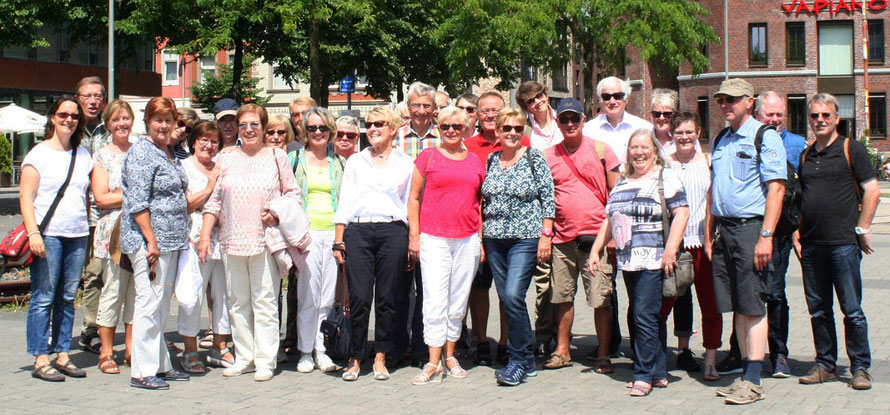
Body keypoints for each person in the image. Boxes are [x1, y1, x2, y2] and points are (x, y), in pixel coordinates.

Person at [200, 104, 299, 382]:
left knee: (265, 301)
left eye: (254, 124)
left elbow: (293, 194)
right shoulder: (226, 157)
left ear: (263, 127)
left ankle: (266, 359)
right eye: (243, 125)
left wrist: (276, 211)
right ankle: (245, 356)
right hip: (232, 240)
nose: (248, 129)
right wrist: (205, 236)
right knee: (237, 302)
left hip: (264, 240)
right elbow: (215, 200)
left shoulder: (277, 156)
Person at [589, 129, 689, 397]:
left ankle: (643, 374)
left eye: (644, 147)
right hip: (628, 261)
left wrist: (670, 250)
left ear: (655, 151)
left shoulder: (664, 176)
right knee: (646, 315)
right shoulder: (622, 180)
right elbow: (610, 219)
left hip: (655, 259)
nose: (639, 152)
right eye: (634, 147)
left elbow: (681, 213)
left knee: (643, 315)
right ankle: (657, 371)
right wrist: (596, 249)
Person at [707, 79, 786, 405]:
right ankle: (744, 372)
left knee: (753, 305)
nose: (725, 104)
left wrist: (766, 236)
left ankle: (753, 379)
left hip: (752, 230)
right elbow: (715, 188)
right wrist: (709, 231)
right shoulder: (722, 138)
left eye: (732, 99)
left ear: (749, 102)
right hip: (726, 231)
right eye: (722, 99)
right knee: (738, 305)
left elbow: (777, 190)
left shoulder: (764, 136)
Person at [719, 91, 807, 377]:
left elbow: (791, 191)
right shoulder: (730, 137)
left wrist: (786, 233)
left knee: (771, 295)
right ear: (759, 112)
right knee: (743, 298)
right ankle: (741, 357)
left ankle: (775, 356)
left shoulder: (792, 143)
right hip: (743, 231)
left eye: (780, 114)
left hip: (772, 232)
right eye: (771, 114)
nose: (776, 119)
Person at [795, 93, 879, 391]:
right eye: (815, 116)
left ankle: (860, 368)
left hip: (843, 245)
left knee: (852, 310)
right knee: (818, 310)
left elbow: (872, 190)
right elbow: (800, 199)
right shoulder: (806, 155)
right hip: (811, 246)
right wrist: (796, 234)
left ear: (836, 118)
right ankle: (826, 365)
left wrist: (862, 228)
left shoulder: (850, 148)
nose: (820, 120)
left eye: (825, 115)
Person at [333, 107, 414, 381]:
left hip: (392, 230)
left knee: (388, 298)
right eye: (369, 124)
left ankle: (381, 356)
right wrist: (338, 239)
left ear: (392, 128)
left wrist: (411, 238)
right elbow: (345, 200)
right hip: (359, 230)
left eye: (379, 123)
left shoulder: (405, 162)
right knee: (359, 297)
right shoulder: (356, 161)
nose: (373, 129)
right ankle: (355, 357)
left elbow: (408, 203)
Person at [407, 106, 485, 385]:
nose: (451, 131)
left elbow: (480, 203)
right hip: (434, 238)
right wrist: (414, 236)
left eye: (457, 126)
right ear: (438, 128)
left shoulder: (475, 160)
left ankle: (450, 356)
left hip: (467, 239)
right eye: (446, 127)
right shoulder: (427, 157)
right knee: (435, 300)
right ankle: (432, 361)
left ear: (466, 129)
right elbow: (413, 198)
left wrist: (480, 238)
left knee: (458, 300)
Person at [543, 98, 620, 373]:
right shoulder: (549, 156)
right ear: (557, 122)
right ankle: (562, 350)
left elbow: (616, 197)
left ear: (583, 119)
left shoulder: (602, 150)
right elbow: (544, 200)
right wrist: (546, 234)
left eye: (574, 118)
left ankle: (603, 353)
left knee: (601, 298)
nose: (570, 124)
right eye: (564, 119)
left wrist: (611, 239)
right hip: (562, 240)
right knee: (562, 296)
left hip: (596, 240)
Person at [120, 97, 191, 389]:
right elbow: (137, 203)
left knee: (161, 307)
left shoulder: (170, 152)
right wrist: (151, 241)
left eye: (168, 120)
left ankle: (160, 365)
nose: (164, 125)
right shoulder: (142, 154)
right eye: (158, 120)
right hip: (149, 243)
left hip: (172, 241)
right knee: (148, 305)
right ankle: (142, 371)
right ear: (147, 122)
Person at [22, 96, 93, 382]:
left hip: (77, 233)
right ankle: (41, 357)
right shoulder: (38, 154)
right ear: (52, 117)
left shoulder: (83, 154)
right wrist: (33, 233)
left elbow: (86, 197)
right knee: (43, 297)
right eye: (63, 114)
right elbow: (26, 197)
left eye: (74, 116)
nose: (69, 120)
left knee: (66, 297)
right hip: (48, 234)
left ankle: (63, 353)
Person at [482, 108, 555, 386]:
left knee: (513, 295)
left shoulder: (534, 157)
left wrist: (545, 235)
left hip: (525, 237)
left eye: (517, 128)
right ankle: (526, 359)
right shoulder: (491, 159)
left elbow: (548, 197)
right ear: (498, 132)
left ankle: (516, 360)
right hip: (494, 238)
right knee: (508, 299)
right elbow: (484, 201)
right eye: (507, 128)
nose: (512, 133)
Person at [463, 92, 530, 366]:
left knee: (507, 291)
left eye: (495, 111)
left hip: (512, 234)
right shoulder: (468, 145)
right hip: (479, 229)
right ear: (477, 115)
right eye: (485, 111)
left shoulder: (522, 143)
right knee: (479, 287)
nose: (490, 115)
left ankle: (505, 342)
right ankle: (480, 340)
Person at [659, 112, 723, 380]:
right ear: (671, 135)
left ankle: (710, 359)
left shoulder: (709, 162)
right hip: (675, 244)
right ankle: (655, 356)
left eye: (689, 132)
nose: (684, 137)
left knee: (710, 304)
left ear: (698, 132)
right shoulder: (664, 164)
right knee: (664, 303)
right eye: (679, 132)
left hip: (704, 243)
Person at [177, 121, 234, 373]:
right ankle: (190, 350)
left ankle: (219, 347)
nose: (209, 146)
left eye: (214, 141)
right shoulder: (183, 168)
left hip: (223, 239)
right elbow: (184, 205)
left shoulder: (223, 167)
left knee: (223, 294)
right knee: (192, 295)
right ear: (193, 141)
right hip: (193, 237)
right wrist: (209, 188)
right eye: (204, 140)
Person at [391, 81, 440, 368]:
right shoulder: (395, 137)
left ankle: (423, 350)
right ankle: (397, 348)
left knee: (428, 290)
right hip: (398, 220)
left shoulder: (444, 137)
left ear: (434, 108)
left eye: (426, 105)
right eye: (416, 105)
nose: (421, 111)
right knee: (398, 289)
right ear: (408, 108)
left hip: (432, 222)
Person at [293, 107, 344, 374]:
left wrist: (341, 238)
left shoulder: (339, 162)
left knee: (327, 296)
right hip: (307, 235)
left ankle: (321, 350)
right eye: (312, 128)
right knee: (308, 295)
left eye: (322, 128)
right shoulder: (295, 159)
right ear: (304, 131)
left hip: (332, 234)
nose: (317, 133)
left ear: (330, 131)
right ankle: (304, 352)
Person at [92, 100, 136, 374]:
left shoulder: (140, 150)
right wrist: (135, 195)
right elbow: (101, 198)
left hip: (141, 230)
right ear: (108, 124)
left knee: (137, 293)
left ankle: (132, 349)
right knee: (113, 291)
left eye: (126, 119)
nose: (122, 124)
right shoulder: (102, 156)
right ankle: (106, 352)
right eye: (116, 120)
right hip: (114, 232)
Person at [76, 76, 108, 355]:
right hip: (71, 215)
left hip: (101, 215)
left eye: (97, 96)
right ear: (78, 98)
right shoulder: (67, 127)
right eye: (87, 96)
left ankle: (91, 329)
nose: (93, 101)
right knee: (66, 277)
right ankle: (56, 332)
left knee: (96, 274)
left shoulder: (108, 129)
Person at [582, 76, 653, 166]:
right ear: (600, 101)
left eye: (617, 96)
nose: (612, 101)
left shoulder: (644, 128)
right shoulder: (588, 131)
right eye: (606, 97)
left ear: (626, 99)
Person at [516, 81, 563, 150]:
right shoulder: (524, 130)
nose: (537, 101)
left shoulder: (564, 119)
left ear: (546, 96)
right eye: (530, 101)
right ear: (526, 108)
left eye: (539, 95)